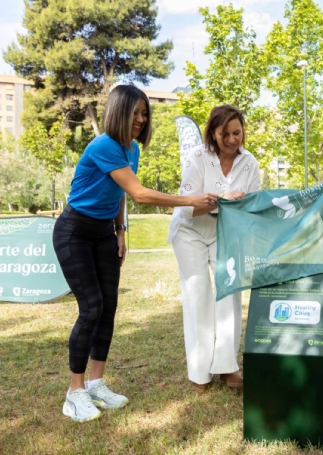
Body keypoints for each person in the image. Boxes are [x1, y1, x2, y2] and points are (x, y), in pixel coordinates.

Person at [53, 85, 218, 422]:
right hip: (74, 231)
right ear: (118, 112)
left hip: (103, 233)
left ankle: (97, 383)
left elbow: (122, 192)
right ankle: (75, 392)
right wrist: (190, 199)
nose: (141, 119)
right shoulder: (104, 146)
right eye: (135, 113)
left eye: (145, 113)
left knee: (109, 308)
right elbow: (140, 193)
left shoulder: (131, 151)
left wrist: (119, 230)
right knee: (92, 308)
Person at [168, 105, 261, 392]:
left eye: (237, 132)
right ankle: (199, 372)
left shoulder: (250, 163)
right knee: (198, 297)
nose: (232, 140)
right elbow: (188, 209)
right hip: (191, 232)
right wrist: (223, 198)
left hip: (226, 233)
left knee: (228, 296)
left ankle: (227, 366)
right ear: (213, 133)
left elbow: (252, 207)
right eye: (225, 134)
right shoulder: (197, 158)